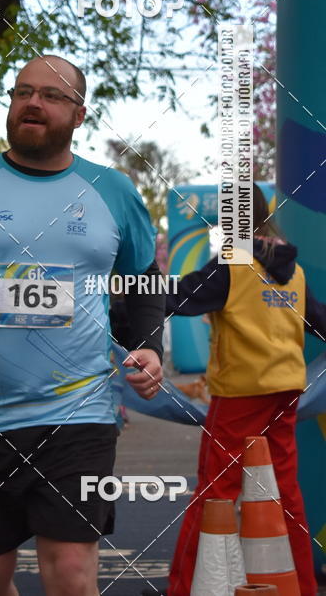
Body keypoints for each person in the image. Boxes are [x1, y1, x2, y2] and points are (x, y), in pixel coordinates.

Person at [0, 54, 166, 596]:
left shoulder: (112, 190)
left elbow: (144, 281)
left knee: (71, 575)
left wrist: (148, 346)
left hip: (79, 416)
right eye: (23, 92)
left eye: (51, 95)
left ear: (80, 114)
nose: (33, 103)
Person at [164, 183, 326, 596]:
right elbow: (320, 321)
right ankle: (302, 586)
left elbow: (179, 298)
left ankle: (183, 587)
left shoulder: (232, 265)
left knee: (215, 491)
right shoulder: (295, 271)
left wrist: (126, 295)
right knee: (285, 493)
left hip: (240, 393)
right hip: (285, 391)